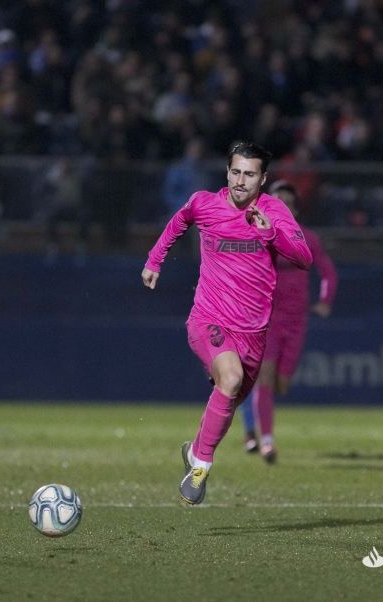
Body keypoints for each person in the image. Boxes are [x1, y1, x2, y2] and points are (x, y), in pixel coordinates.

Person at [141, 141, 313, 505]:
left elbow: (304, 257)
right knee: (230, 378)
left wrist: (271, 234)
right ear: (227, 172)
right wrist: (155, 259)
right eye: (235, 171)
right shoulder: (205, 203)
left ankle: (195, 452)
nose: (240, 180)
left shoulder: (274, 211)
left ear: (263, 178)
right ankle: (201, 467)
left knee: (230, 396)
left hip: (254, 333)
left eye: (249, 174)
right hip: (209, 318)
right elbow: (179, 220)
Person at [239, 180, 338, 462]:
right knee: (265, 379)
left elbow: (329, 272)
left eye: (287, 202)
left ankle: (258, 426)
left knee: (281, 383)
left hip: (296, 321)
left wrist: (325, 301)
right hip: (266, 319)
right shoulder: (258, 238)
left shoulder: (307, 238)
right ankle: (267, 442)